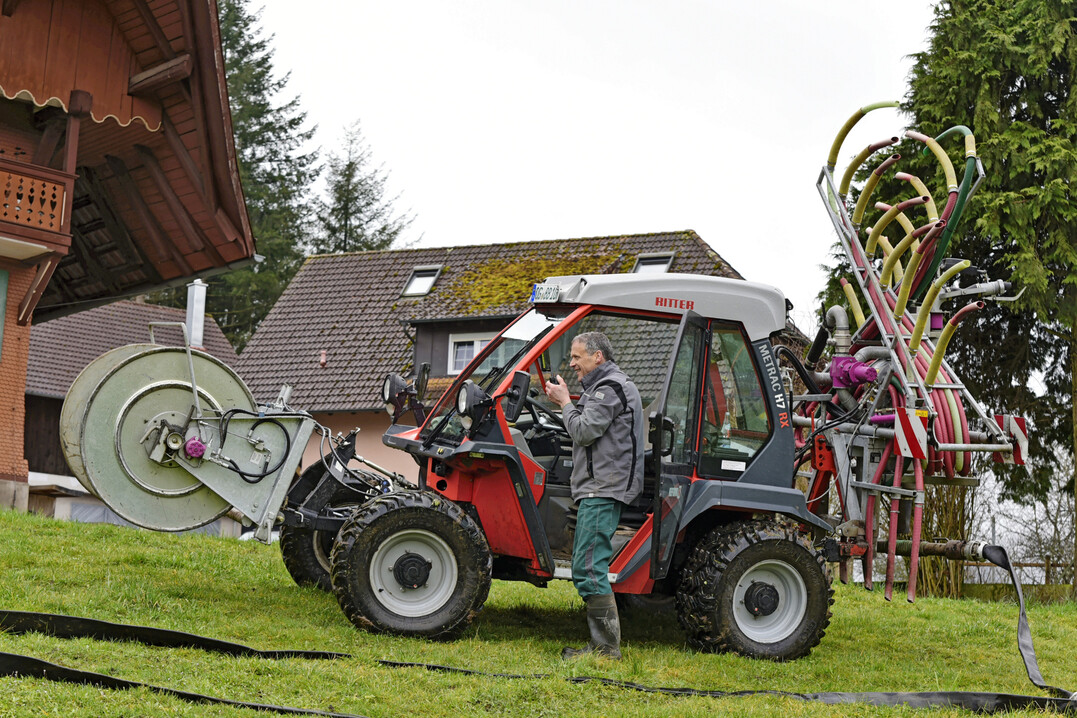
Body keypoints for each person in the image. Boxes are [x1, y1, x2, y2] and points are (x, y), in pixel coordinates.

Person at [544, 331, 644, 660]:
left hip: (602, 488)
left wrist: (565, 402)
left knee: (588, 567)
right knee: (588, 564)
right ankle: (604, 645)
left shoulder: (611, 388)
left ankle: (606, 649)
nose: (572, 363)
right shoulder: (604, 388)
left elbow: (584, 431)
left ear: (597, 357)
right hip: (598, 486)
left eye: (577, 357)